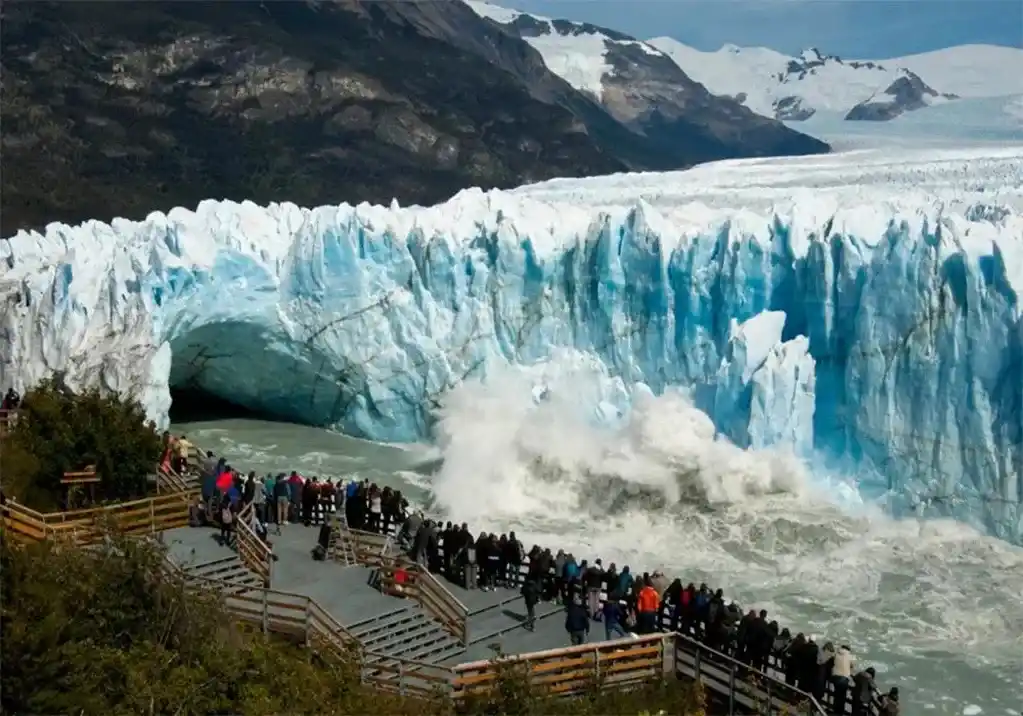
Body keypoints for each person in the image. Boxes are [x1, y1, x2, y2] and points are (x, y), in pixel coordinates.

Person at [832, 644, 854, 715]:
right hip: (844, 678)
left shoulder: (836, 653)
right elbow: (852, 666)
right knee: (842, 696)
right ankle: (840, 713)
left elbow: (833, 662)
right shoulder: (849, 656)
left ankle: (835, 711)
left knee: (837, 694)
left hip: (835, 677)